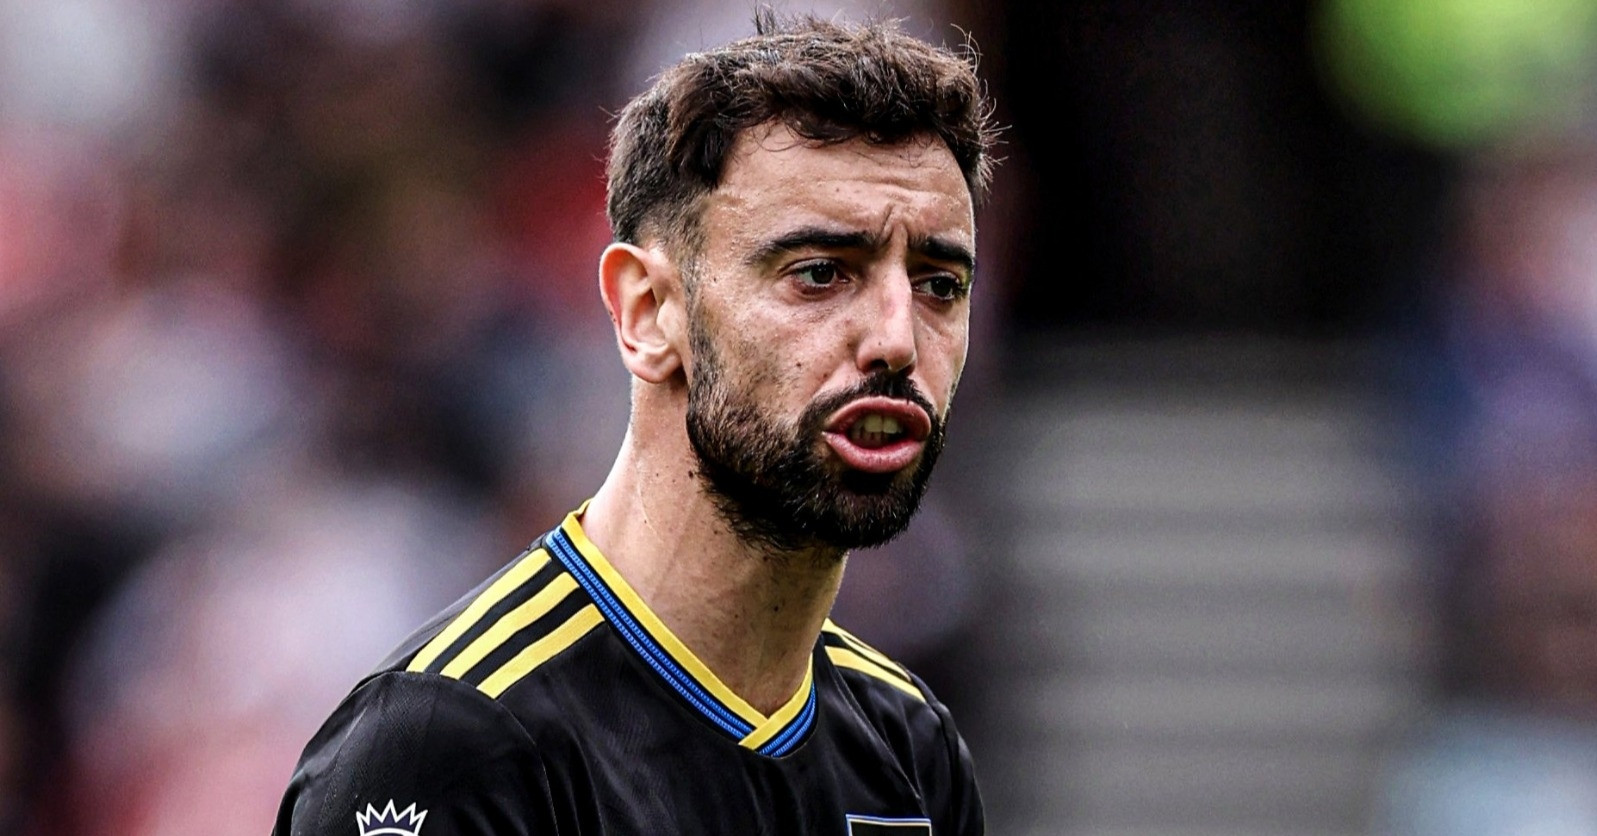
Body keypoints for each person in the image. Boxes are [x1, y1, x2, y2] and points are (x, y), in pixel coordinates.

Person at [274, 12, 996, 835]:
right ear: (648, 311)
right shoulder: (450, 747)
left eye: (940, 285)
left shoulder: (911, 750)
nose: (898, 340)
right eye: (820, 273)